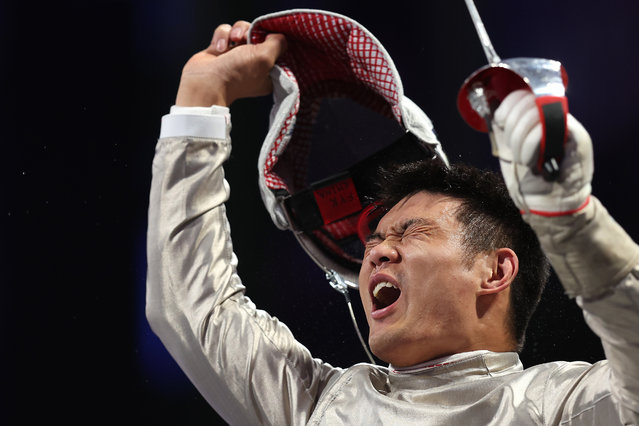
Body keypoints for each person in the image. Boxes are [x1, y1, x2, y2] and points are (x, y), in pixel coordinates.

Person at [146, 20, 639, 424]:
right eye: (375, 239)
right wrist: (201, 98)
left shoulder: (561, 406)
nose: (376, 252)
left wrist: (573, 223)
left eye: (411, 232)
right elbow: (191, 305)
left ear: (495, 271)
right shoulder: (315, 407)